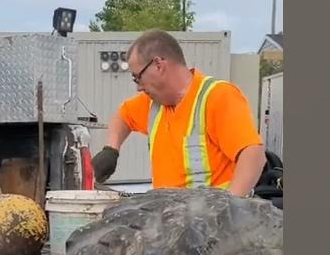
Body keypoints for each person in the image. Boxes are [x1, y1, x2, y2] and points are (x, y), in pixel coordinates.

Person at [91, 30, 266, 196]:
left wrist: (227, 207)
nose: (138, 86)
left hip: (211, 223)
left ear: (158, 65)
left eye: (138, 77)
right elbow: (122, 116)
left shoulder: (218, 97)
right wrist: (111, 149)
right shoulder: (154, 104)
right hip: (172, 219)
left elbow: (253, 155)